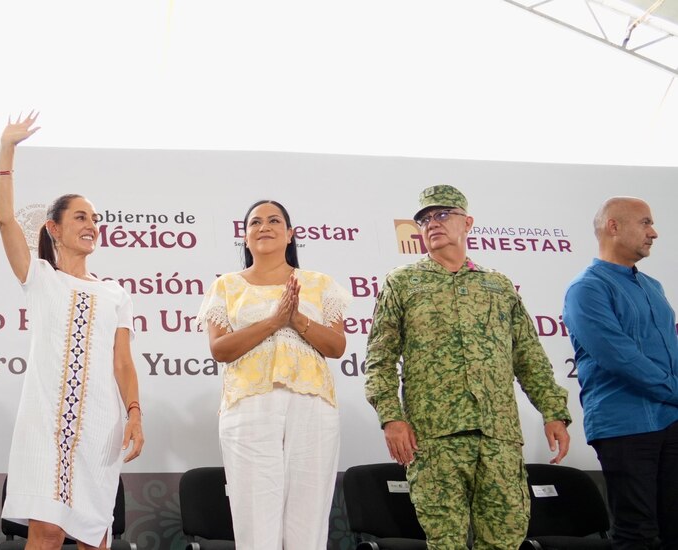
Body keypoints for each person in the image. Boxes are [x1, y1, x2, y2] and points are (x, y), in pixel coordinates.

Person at [364, 184, 572, 550]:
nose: (433, 224)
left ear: (468, 223)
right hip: (434, 437)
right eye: (426, 219)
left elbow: (528, 355)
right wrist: (391, 418)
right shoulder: (403, 284)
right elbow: (379, 360)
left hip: (499, 436)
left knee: (505, 538)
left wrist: (553, 411)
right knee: (446, 543)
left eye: (443, 215)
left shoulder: (498, 286)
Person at [0, 112, 144, 550]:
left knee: (93, 535)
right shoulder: (39, 277)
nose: (91, 224)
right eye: (80, 216)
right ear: (54, 228)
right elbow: (5, 222)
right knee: (46, 530)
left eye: (95, 218)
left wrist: (135, 413)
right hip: (44, 422)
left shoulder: (116, 293)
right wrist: (7, 151)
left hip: (101, 423)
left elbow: (122, 361)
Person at [197, 199, 350, 549]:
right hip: (249, 405)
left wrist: (297, 319)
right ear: (246, 238)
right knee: (255, 515)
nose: (264, 226)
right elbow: (220, 350)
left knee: (308, 518)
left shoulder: (319, 283)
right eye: (255, 222)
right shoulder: (227, 286)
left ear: (290, 234)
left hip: (312, 404)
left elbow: (337, 347)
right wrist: (274, 321)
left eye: (274, 220)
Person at [563, 196, 678, 550]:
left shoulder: (652, 287)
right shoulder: (587, 288)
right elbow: (620, 357)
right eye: (645, 222)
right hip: (625, 425)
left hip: (669, 420)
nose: (654, 232)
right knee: (637, 533)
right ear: (613, 227)